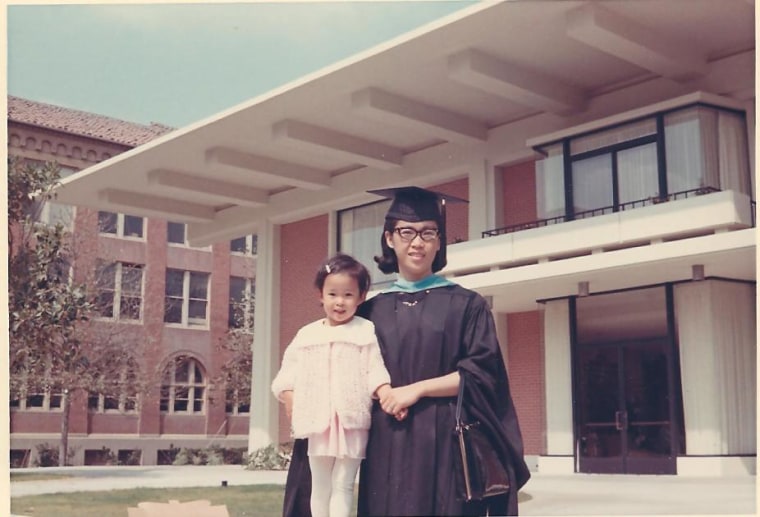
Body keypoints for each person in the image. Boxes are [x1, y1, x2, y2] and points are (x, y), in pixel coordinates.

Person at [283, 186, 530, 517]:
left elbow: (482, 374)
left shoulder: (467, 304)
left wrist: (416, 390)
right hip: (386, 441)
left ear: (439, 240)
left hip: (444, 444)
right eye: (407, 232)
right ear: (389, 238)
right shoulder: (369, 311)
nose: (418, 242)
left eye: (428, 232)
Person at [272, 253, 394, 517]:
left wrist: (384, 391)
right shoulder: (307, 334)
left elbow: (374, 368)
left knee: (343, 483)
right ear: (321, 295)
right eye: (333, 294)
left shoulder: (364, 330)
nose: (340, 302)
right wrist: (289, 396)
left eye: (348, 295)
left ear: (362, 297)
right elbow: (287, 373)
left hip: (351, 420)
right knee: (320, 484)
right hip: (318, 420)